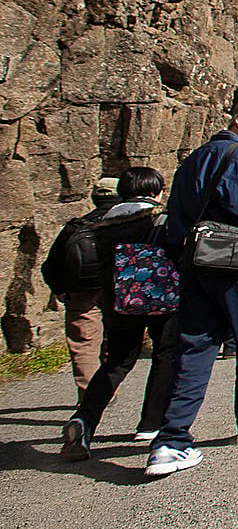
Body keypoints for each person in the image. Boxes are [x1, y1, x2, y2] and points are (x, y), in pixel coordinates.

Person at [145, 99, 238, 477]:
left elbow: (177, 212)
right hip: (235, 264)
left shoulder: (194, 158)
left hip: (196, 263)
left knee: (194, 345)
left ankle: (170, 440)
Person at [61, 168, 178, 461]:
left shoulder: (101, 224)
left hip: (118, 300)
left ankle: (85, 419)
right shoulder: (161, 220)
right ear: (156, 192)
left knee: (116, 362)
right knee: (165, 355)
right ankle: (151, 424)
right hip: (160, 296)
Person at [41, 177, 118, 399]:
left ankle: (90, 395)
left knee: (84, 343)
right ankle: (109, 385)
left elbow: (52, 264)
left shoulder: (76, 226)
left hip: (81, 290)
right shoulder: (128, 224)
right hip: (118, 288)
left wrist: (59, 290)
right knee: (115, 338)